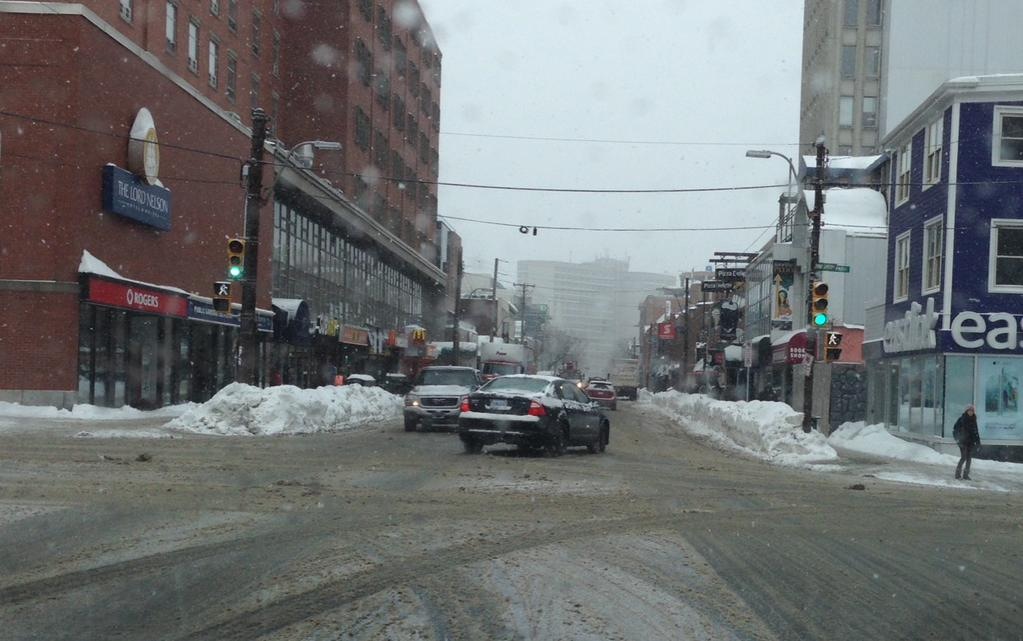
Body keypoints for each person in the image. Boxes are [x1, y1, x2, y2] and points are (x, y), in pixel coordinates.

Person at [953, 404, 981, 480]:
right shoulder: (961, 419)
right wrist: (958, 439)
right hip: (962, 442)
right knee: (964, 457)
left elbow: (976, 432)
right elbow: (955, 430)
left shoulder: (974, 420)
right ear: (966, 411)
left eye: (972, 411)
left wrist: (978, 442)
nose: (971, 412)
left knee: (969, 458)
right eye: (969, 410)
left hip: (970, 442)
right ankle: (957, 474)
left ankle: (966, 474)